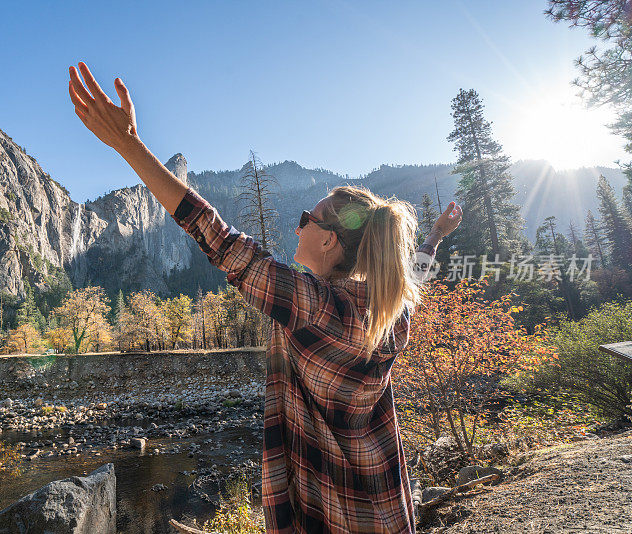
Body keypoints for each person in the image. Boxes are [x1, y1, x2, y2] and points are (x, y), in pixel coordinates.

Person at [68, 62, 462, 534]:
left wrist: (129, 145)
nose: (297, 225)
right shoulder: (390, 308)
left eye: (307, 218)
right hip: (383, 506)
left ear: (330, 240)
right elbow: (412, 273)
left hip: (333, 514)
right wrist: (435, 237)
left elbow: (218, 238)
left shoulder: (314, 305)